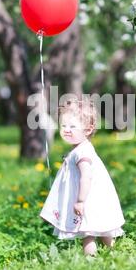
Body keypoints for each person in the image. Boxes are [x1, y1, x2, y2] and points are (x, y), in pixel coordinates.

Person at [40, 97, 125, 256]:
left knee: (88, 233)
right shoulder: (80, 149)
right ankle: (113, 254)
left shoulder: (82, 152)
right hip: (93, 197)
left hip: (87, 198)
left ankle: (90, 262)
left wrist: (80, 201)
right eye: (63, 125)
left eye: (72, 126)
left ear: (87, 129)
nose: (66, 129)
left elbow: (86, 177)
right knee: (102, 228)